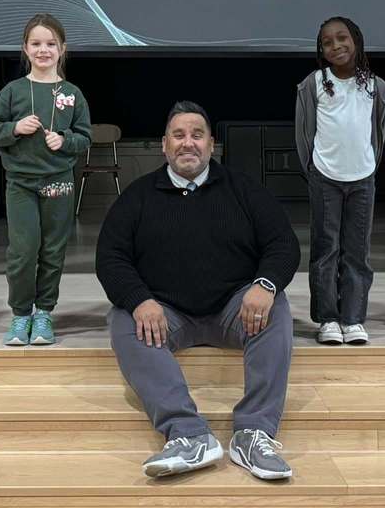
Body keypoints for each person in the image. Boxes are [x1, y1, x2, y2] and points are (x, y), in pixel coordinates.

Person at [96, 101, 301, 481]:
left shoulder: (244, 189)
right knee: (124, 319)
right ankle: (189, 435)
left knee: (276, 306)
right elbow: (110, 258)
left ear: (211, 144)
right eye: (178, 135)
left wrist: (265, 284)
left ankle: (253, 434)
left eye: (197, 135)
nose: (187, 143)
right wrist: (140, 300)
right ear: (164, 145)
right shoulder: (137, 196)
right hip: (167, 315)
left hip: (234, 311)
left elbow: (283, 244)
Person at [0, 14, 91, 346]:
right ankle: (20, 316)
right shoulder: (12, 91)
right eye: (36, 44)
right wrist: (14, 128)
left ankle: (44, 313)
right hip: (21, 184)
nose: (43, 50)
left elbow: (85, 136)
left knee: (53, 251)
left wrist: (66, 140)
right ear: (25, 49)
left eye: (50, 44)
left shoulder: (72, 93)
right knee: (23, 250)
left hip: (59, 182)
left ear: (62, 50)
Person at [295, 16, 385, 346]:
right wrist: (312, 168)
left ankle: (353, 318)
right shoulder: (314, 84)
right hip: (325, 178)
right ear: (321, 50)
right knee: (326, 250)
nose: (336, 45)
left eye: (342, 38)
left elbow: (379, 131)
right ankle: (328, 319)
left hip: (362, 180)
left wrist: (370, 167)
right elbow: (304, 132)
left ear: (356, 40)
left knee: (357, 252)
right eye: (327, 42)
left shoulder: (374, 86)